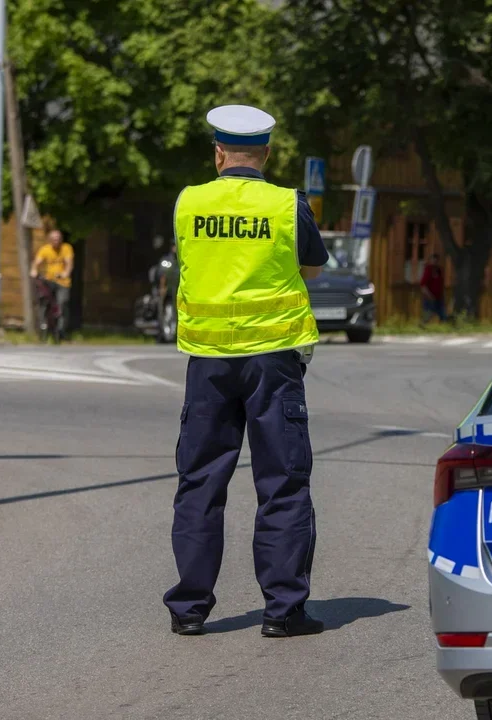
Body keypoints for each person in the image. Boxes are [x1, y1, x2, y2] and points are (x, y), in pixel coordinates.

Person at [162, 104, 330, 638]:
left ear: (217, 154)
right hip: (272, 360)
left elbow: (187, 262)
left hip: (208, 362)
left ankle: (189, 609)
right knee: (281, 481)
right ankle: (283, 612)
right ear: (267, 153)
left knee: (200, 482)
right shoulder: (287, 205)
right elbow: (312, 268)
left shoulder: (189, 202)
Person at [29, 229, 74, 338]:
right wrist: (34, 270)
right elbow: (37, 262)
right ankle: (44, 326)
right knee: (44, 301)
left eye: (58, 239)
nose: (56, 241)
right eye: (53, 239)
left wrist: (65, 273)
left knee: (62, 303)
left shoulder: (66, 248)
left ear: (61, 239)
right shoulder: (45, 249)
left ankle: (61, 330)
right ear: (50, 240)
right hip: (49, 280)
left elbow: (69, 264)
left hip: (63, 282)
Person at [419, 253, 446, 325]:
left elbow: (440, 284)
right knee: (427, 316)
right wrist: (430, 296)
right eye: (433, 260)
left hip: (439, 298)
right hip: (429, 298)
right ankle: (421, 328)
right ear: (431, 260)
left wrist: (442, 295)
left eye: (436, 260)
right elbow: (423, 285)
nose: (435, 262)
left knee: (443, 315)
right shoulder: (428, 270)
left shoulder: (439, 270)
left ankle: (443, 330)